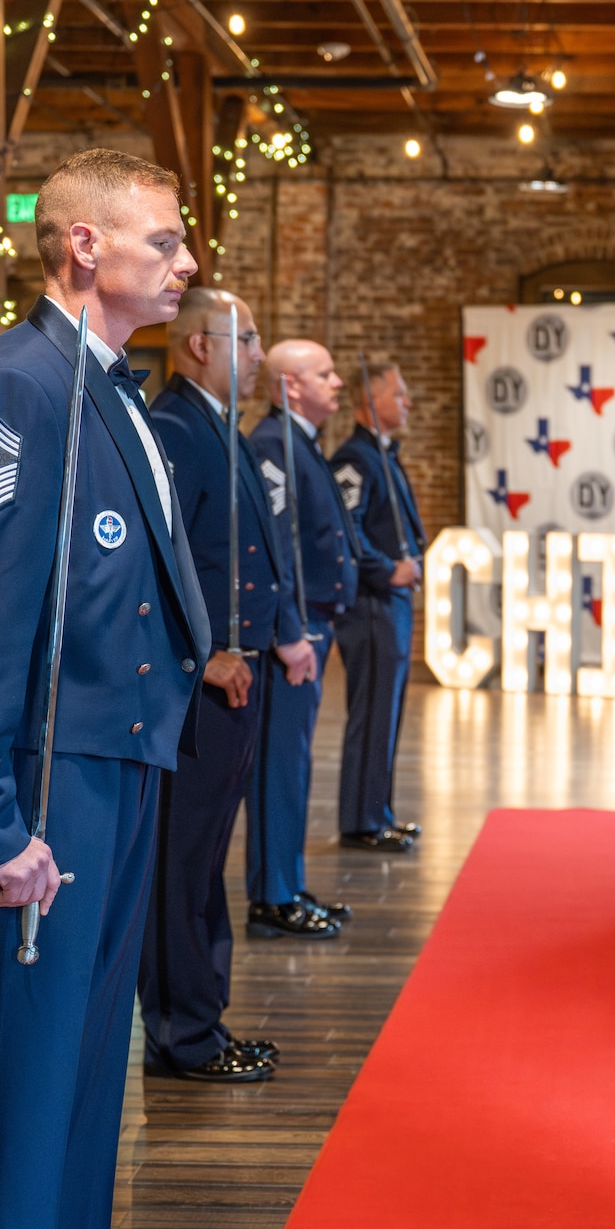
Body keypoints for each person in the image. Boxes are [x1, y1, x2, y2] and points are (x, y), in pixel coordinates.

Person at [0, 147, 210, 1229]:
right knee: (23, 1110)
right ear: (84, 244)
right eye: (163, 241)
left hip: (112, 773)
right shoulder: (16, 390)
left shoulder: (104, 385)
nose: (187, 262)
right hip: (39, 792)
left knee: (81, 1092)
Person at [142, 288, 322, 1083]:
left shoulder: (218, 427)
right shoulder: (176, 430)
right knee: (182, 865)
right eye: (245, 339)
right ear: (199, 346)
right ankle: (181, 1032)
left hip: (233, 682)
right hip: (194, 690)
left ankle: (202, 1019)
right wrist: (203, 651)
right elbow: (153, 563)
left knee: (205, 857)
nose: (257, 355)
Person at [244, 338, 362, 936]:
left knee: (296, 764)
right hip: (295, 629)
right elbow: (277, 550)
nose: (337, 382)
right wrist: (290, 632)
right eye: (324, 374)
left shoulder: (301, 442)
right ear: (290, 386)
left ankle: (287, 881)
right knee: (280, 766)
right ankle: (272, 895)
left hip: (312, 623)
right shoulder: (273, 444)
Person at [330, 362, 425, 852]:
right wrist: (387, 568)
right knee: (372, 714)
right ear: (371, 400)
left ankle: (378, 812)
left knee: (387, 712)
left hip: (391, 604)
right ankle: (363, 821)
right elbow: (347, 527)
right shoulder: (356, 457)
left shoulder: (383, 454)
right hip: (371, 604)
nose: (407, 402)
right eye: (399, 393)